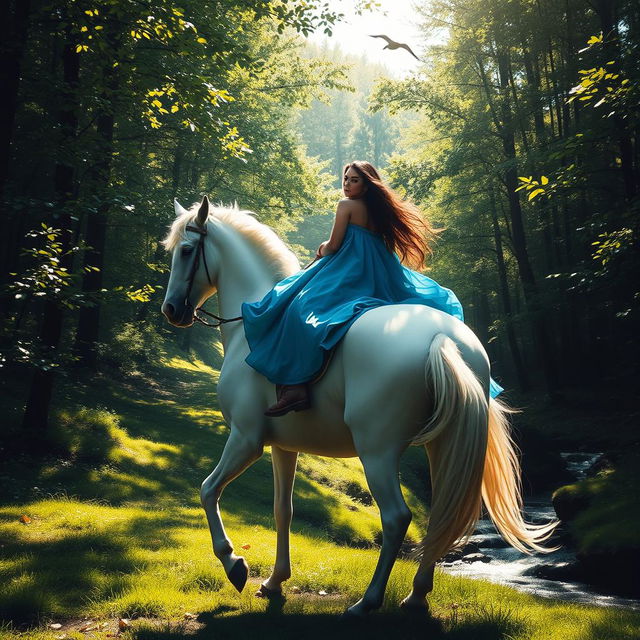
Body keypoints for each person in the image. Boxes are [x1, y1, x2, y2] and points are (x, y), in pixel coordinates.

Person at [241, 161, 504, 417]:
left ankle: (295, 385)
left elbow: (334, 246)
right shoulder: (380, 210)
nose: (347, 184)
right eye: (345, 179)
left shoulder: (346, 206)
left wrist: (322, 248)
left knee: (300, 306)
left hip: (349, 270)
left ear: (366, 185)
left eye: (354, 180)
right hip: (378, 271)